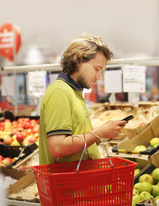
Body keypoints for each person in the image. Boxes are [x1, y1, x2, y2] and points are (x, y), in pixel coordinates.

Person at [39, 33, 127, 165]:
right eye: (97, 69)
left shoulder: (75, 92)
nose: (99, 76)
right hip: (66, 183)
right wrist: (100, 132)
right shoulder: (60, 92)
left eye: (101, 71)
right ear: (79, 60)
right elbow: (58, 147)